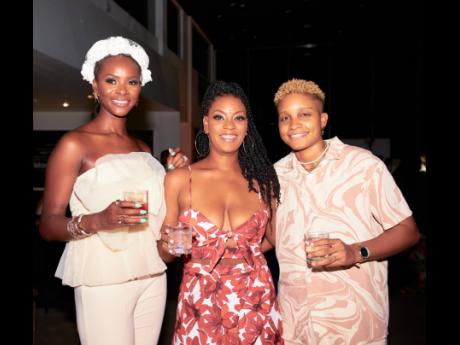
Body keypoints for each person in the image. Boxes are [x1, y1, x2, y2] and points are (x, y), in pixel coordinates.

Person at [39, 36, 188, 345]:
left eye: (131, 82)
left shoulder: (142, 147)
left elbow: (157, 210)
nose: (122, 90)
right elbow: (47, 225)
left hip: (152, 273)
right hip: (102, 276)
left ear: (139, 90)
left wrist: (173, 174)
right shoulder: (74, 144)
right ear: (95, 86)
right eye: (111, 80)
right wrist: (97, 221)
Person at [272, 79, 420, 344]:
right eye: (285, 117)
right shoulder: (274, 176)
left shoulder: (363, 166)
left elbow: (408, 231)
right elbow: (273, 237)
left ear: (323, 119)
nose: (294, 124)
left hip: (356, 324)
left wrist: (355, 251)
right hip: (296, 326)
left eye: (304, 114)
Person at [158, 80, 284, 344]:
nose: (229, 126)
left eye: (238, 118)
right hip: (199, 305)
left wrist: (243, 252)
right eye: (219, 117)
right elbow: (165, 252)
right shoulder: (179, 179)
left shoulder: (264, 183)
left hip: (256, 301)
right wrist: (169, 246)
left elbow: (274, 239)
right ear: (205, 124)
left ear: (247, 126)